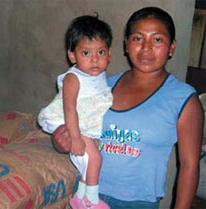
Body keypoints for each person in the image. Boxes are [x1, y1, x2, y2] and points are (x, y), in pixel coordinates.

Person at [51, 6, 204, 209]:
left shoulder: (183, 99)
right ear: (126, 45)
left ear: (172, 47)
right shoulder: (99, 87)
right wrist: (60, 141)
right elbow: (69, 128)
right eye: (138, 39)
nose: (146, 48)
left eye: (157, 39)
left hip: (137, 203)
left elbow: (189, 166)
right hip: (87, 195)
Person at [38, 15, 113, 209]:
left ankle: (79, 197)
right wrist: (76, 137)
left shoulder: (100, 77)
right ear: (72, 56)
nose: (95, 59)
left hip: (84, 124)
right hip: (70, 122)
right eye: (86, 53)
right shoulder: (74, 78)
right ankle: (92, 200)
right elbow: (69, 108)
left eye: (101, 52)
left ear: (109, 54)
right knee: (96, 159)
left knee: (90, 163)